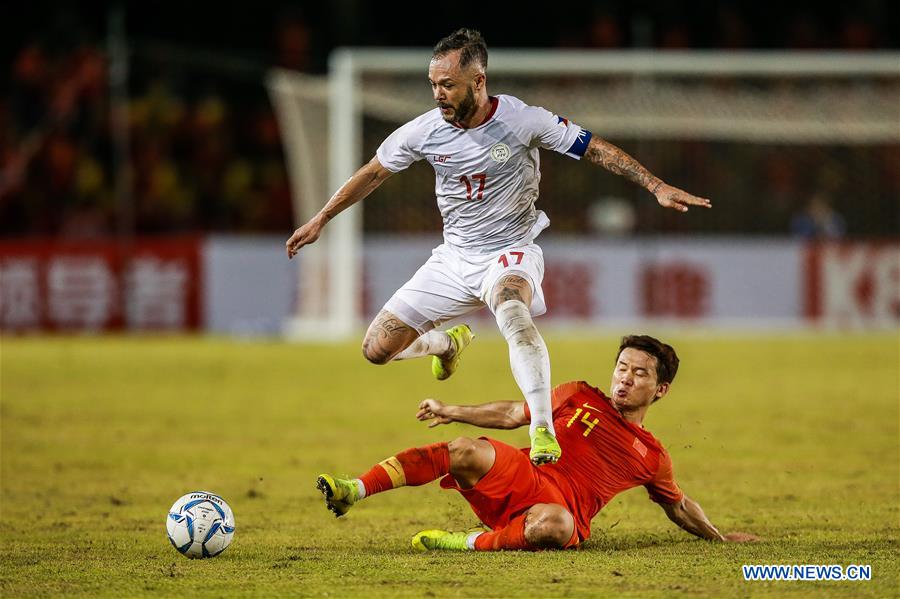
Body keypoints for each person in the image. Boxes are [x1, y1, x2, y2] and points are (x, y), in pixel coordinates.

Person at [285, 29, 712, 465]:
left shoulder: (523, 120)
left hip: (511, 252)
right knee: (376, 350)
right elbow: (374, 172)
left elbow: (592, 149)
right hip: (453, 259)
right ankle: (445, 346)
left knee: (513, 312)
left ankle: (542, 428)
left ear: (479, 81)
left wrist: (655, 184)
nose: (438, 94)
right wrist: (321, 217)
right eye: (433, 85)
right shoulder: (424, 131)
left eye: (448, 85)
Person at [316, 335, 758, 551]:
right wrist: (452, 409)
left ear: (660, 390)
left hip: (557, 509)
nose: (625, 378)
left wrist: (719, 538)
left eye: (640, 373)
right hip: (523, 474)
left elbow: (678, 506)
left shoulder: (652, 455)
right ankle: (353, 489)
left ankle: (464, 543)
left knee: (557, 528)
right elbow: (513, 413)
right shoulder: (579, 394)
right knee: (464, 449)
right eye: (622, 367)